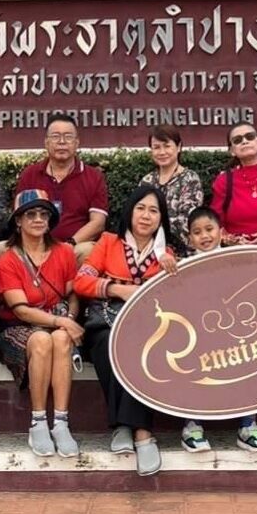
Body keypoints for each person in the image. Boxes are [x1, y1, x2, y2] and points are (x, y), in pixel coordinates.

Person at [74, 186, 176, 476]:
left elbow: (174, 299)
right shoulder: (108, 242)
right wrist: (117, 289)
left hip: (146, 328)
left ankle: (130, 429)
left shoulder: (166, 255)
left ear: (161, 218)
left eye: (154, 211)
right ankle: (140, 431)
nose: (146, 216)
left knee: (142, 349)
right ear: (130, 211)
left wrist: (171, 271)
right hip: (105, 324)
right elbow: (81, 281)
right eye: (140, 208)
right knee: (110, 345)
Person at [0, 190, 84, 458]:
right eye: (30, 214)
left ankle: (61, 422)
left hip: (58, 323)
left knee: (61, 338)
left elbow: (72, 294)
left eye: (44, 214)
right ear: (18, 220)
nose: (38, 219)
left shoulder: (64, 252)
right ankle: (38, 422)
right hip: (17, 327)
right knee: (43, 340)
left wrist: (69, 320)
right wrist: (61, 321)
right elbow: (20, 310)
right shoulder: (8, 259)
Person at [175, 208, 257, 454]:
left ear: (221, 232)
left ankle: (248, 426)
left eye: (209, 229)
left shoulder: (235, 262)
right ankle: (192, 426)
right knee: (190, 357)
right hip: (197, 335)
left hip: (233, 332)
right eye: (197, 232)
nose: (204, 236)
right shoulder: (183, 267)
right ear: (189, 239)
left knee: (251, 351)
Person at [14, 113, 109, 246]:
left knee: (87, 249)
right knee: (0, 249)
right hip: (36, 245)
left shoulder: (93, 176)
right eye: (55, 136)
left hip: (75, 247)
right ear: (46, 143)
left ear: (77, 143)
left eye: (68, 136)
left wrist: (70, 245)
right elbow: (21, 218)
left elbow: (98, 222)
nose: (62, 141)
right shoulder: (30, 174)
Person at [138, 124, 203, 250]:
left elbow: (186, 221)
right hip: (148, 247)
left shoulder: (190, 179)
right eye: (156, 147)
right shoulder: (146, 181)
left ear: (178, 147)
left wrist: (150, 225)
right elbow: (137, 215)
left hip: (181, 249)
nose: (162, 152)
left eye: (167, 146)